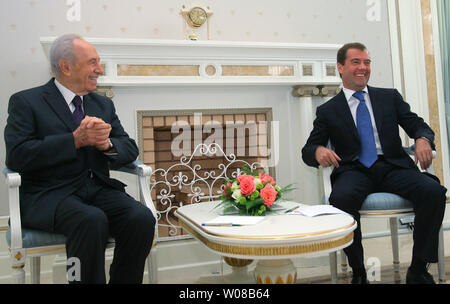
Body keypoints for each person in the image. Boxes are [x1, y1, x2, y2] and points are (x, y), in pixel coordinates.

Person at [4, 34, 156, 284]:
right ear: (66, 66)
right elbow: (18, 155)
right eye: (92, 62)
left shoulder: (102, 104)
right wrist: (75, 140)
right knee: (90, 220)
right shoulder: (26, 101)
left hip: (97, 189)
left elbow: (129, 148)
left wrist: (106, 144)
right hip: (48, 195)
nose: (99, 69)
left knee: (141, 218)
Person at [301, 42, 447, 284]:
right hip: (354, 170)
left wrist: (423, 139)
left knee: (433, 192)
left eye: (366, 62)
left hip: (392, 166)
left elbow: (417, 124)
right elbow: (308, 149)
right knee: (340, 200)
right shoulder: (329, 110)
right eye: (356, 62)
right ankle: (359, 272)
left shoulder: (388, 97)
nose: (363, 67)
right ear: (340, 67)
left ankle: (419, 269)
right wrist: (317, 151)